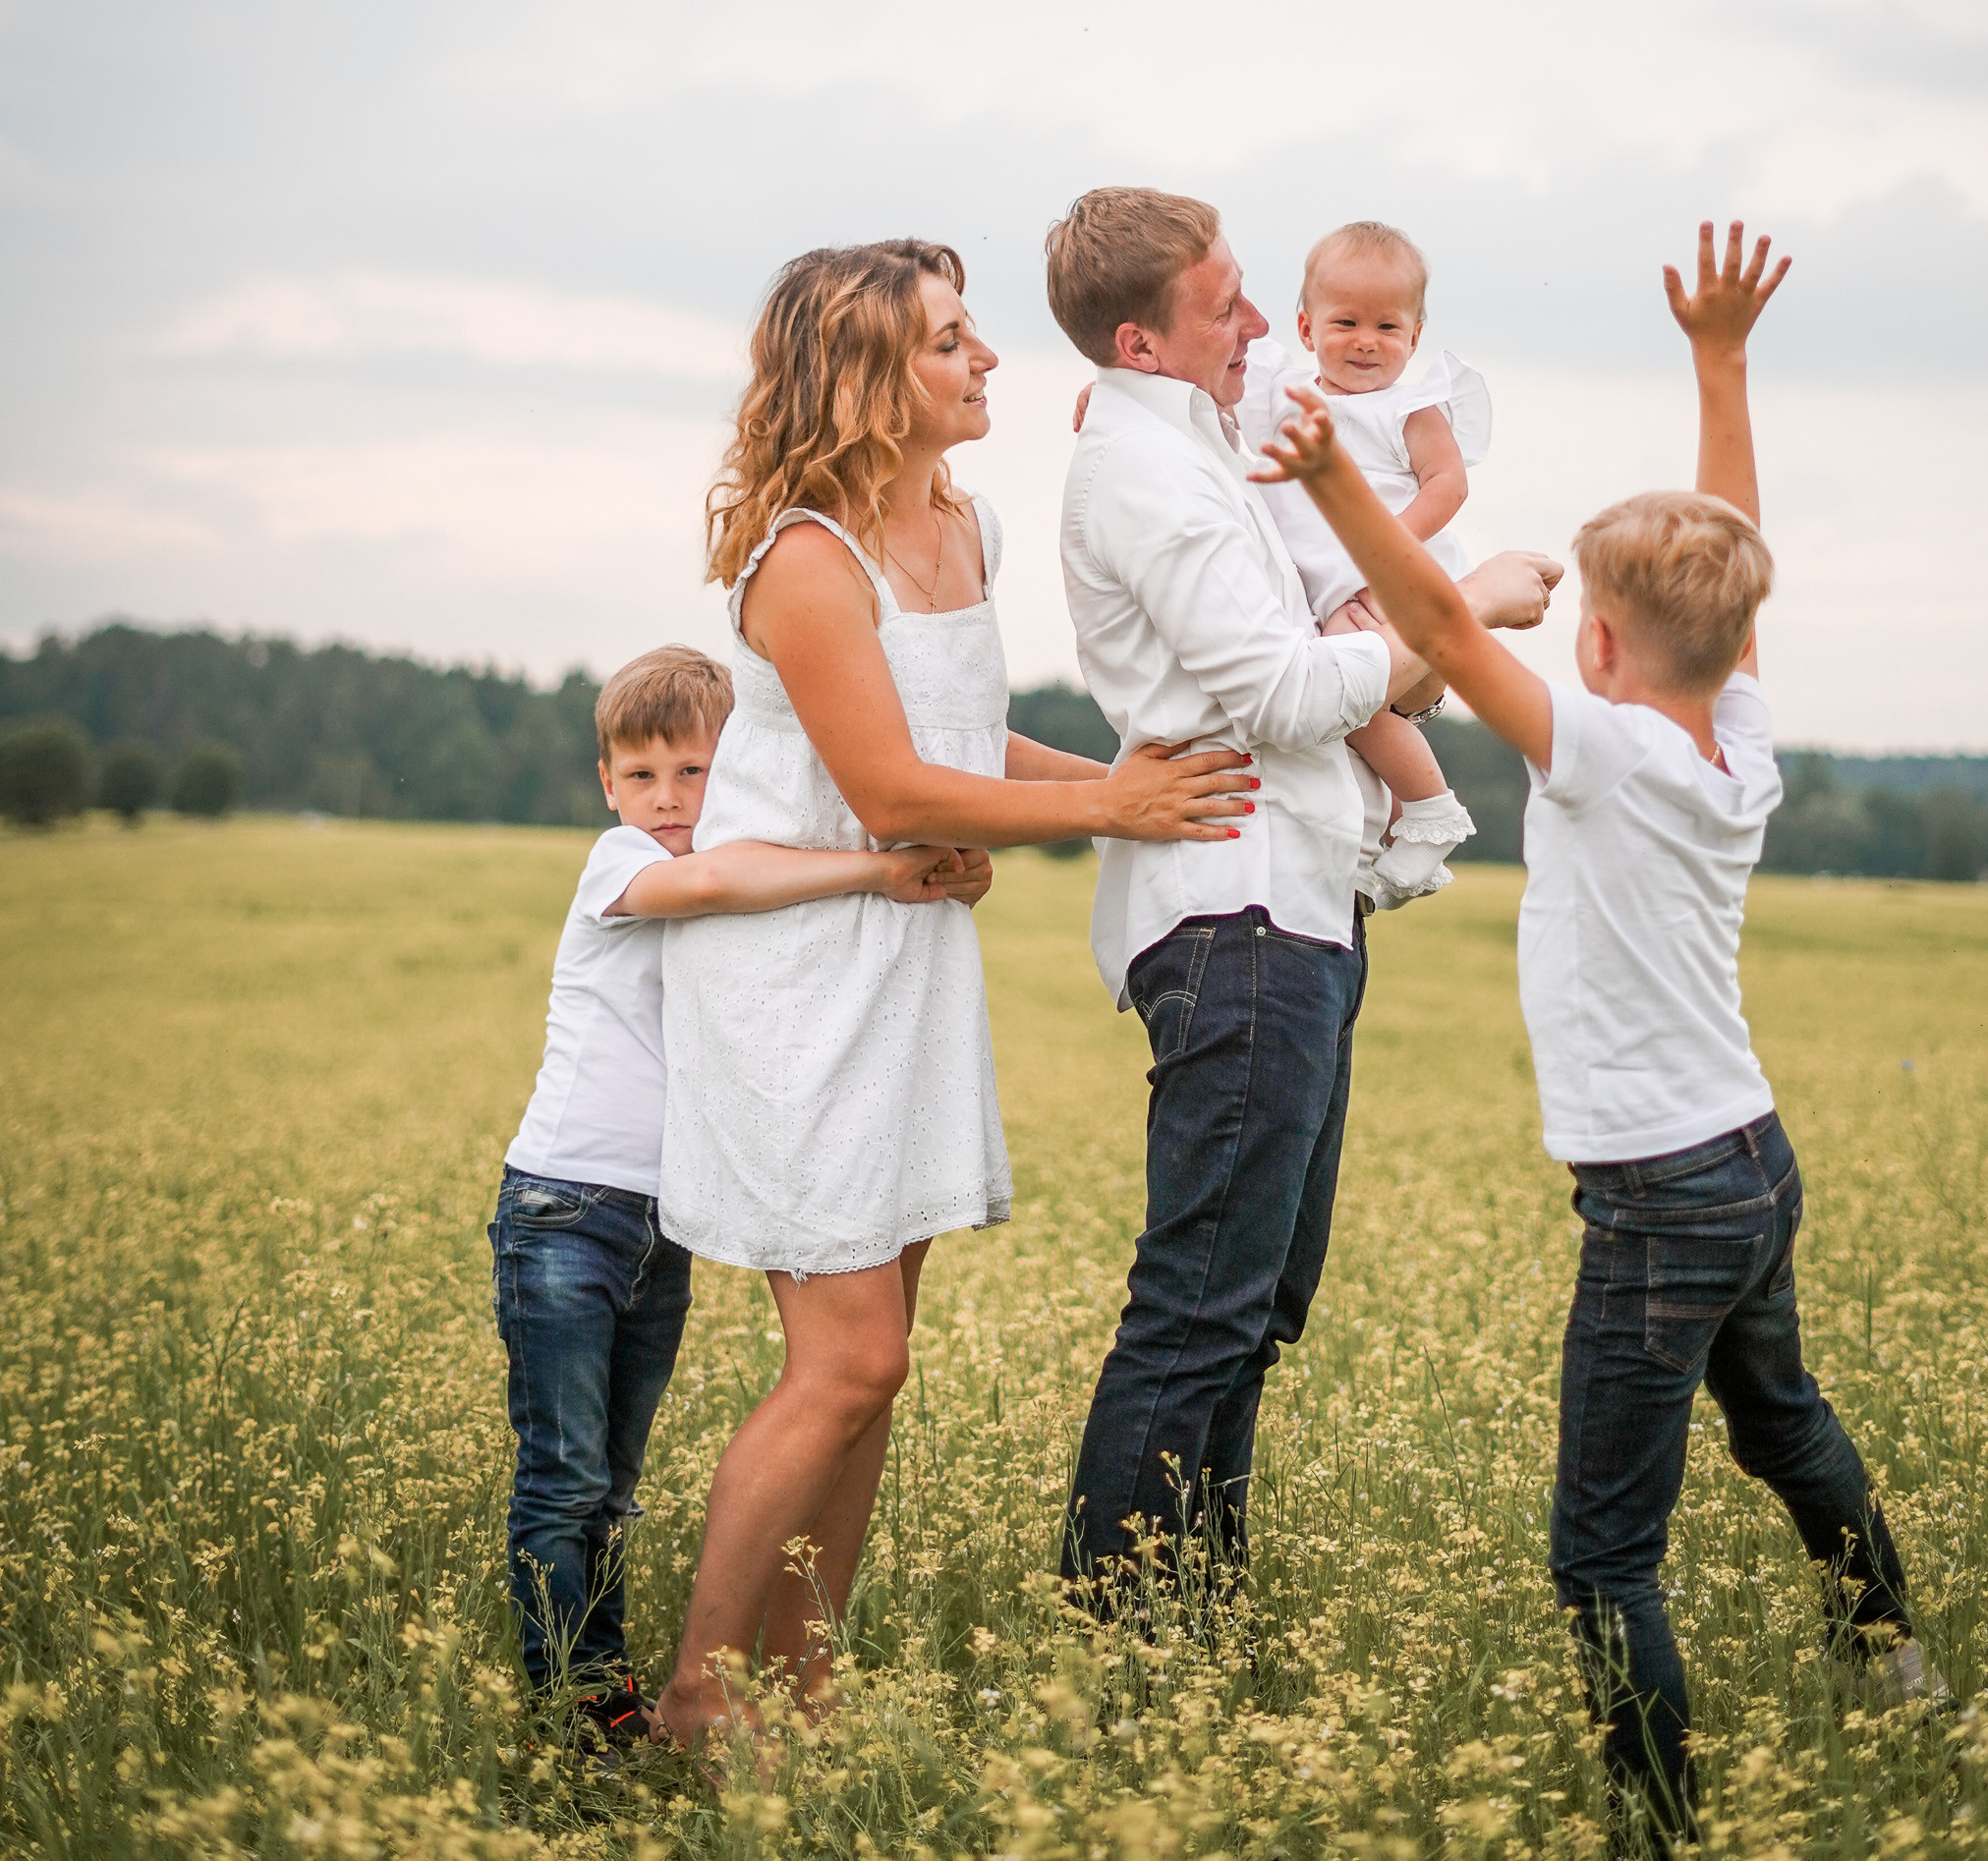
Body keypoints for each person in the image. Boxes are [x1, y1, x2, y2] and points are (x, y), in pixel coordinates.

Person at [1252, 221, 1943, 1847]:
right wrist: (1719, 362)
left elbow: (1430, 609)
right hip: (1750, 1161)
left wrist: (1327, 477)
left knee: (1600, 1551)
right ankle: (1889, 1656)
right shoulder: (1731, 732)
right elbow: (1731, 550)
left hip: (1652, 1201)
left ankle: (1655, 1825)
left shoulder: (1599, 755)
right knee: (1777, 1422)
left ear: (1598, 648)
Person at [653, 238, 1253, 1755]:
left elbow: (967, 747)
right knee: (844, 1358)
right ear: (863, 377)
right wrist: (1108, 815)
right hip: (795, 976)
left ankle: (803, 1694)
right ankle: (690, 1710)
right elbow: (884, 785)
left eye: (973, 339)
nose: (984, 363)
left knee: (878, 1370)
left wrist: (1114, 781)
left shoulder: (964, 524)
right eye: (947, 344)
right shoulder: (801, 558)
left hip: (907, 959)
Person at [1044, 186, 1561, 1598]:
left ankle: (1192, 1612)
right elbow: (1277, 693)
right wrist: (1463, 620)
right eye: (1227, 304)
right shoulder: (1148, 470)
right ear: (1143, 341)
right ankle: (1125, 1633)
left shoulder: (1185, 437)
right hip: (1238, 909)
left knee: (1251, 1310)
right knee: (1201, 1307)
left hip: (1294, 905)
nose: (1265, 324)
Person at [489, 643, 985, 1752]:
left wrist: (937, 860)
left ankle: (611, 1699)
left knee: (612, 1482)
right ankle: (572, 1714)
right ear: (608, 789)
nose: (666, 801)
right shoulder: (620, 863)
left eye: (694, 773)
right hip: (564, 1210)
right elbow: (719, 878)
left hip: (654, 1227)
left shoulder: (745, 862)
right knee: (565, 1481)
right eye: (640, 775)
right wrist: (873, 870)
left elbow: (783, 874)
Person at [1239, 219, 1494, 905]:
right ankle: (1383, 831)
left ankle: (1429, 805)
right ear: (1305, 326)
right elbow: (1201, 398)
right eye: (1346, 321)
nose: (1365, 341)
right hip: (1332, 593)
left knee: (1340, 687)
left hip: (1395, 579)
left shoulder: (1408, 405)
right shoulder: (1285, 394)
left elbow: (1449, 483)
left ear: (1414, 337)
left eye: (1387, 327)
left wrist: (1386, 556)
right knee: (1337, 707)